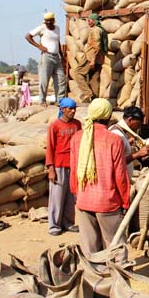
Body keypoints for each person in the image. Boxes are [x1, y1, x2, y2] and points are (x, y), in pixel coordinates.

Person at [70, 98, 130, 257]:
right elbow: (120, 175)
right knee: (115, 245)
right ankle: (118, 275)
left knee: (90, 248)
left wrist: (77, 193)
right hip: (107, 202)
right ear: (108, 116)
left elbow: (74, 169)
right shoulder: (114, 140)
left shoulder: (77, 137)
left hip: (83, 200)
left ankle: (94, 277)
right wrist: (125, 201)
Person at [45, 98, 82, 236]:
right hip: (59, 165)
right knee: (57, 196)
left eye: (74, 109)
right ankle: (54, 225)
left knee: (70, 196)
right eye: (70, 109)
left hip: (73, 164)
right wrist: (51, 168)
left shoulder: (77, 124)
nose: (73, 111)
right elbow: (50, 148)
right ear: (63, 109)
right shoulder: (55, 126)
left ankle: (68, 222)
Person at [26, 12, 67, 105]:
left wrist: (62, 55)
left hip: (56, 57)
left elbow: (58, 42)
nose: (48, 22)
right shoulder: (42, 28)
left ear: (53, 20)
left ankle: (60, 101)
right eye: (46, 21)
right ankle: (42, 100)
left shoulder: (57, 28)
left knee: (61, 80)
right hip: (46, 57)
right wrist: (38, 46)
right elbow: (28, 36)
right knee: (44, 80)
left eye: (50, 20)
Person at [109, 106, 149, 179]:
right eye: (138, 124)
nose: (139, 127)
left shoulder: (118, 130)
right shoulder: (117, 134)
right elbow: (117, 162)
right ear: (130, 120)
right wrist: (138, 154)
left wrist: (127, 144)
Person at [72, 13, 106, 102]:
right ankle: (95, 101)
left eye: (89, 20)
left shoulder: (95, 30)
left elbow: (96, 46)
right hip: (99, 59)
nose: (88, 22)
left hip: (91, 58)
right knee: (94, 80)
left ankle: (88, 93)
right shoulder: (100, 30)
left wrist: (92, 60)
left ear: (94, 21)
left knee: (78, 73)